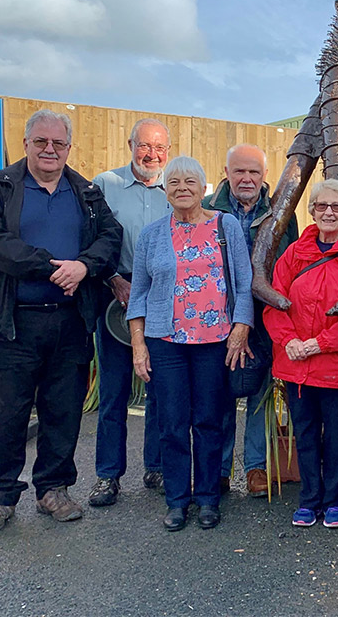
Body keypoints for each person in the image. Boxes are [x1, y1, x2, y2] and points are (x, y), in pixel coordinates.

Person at [0, 109, 122, 533]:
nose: (50, 150)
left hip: (69, 322)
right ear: (26, 144)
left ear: (69, 148)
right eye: (41, 142)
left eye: (58, 143)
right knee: (5, 415)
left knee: (64, 411)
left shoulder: (87, 193)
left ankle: (53, 489)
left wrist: (84, 267)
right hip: (11, 323)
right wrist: (50, 266)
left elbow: (111, 238)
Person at [128, 156, 254, 532]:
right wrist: (138, 345)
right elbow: (138, 295)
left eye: (190, 182)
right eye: (174, 182)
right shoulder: (151, 235)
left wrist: (241, 326)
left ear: (204, 189)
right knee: (171, 422)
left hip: (215, 342)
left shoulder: (225, 225)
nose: (182, 188)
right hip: (166, 342)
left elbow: (244, 283)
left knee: (209, 421)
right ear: (165, 191)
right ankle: (177, 500)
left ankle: (208, 499)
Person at [263, 179, 338, 529]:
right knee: (306, 432)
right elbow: (274, 302)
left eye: (337, 207)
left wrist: (319, 343)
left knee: (337, 434)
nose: (329, 212)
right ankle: (309, 499)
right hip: (296, 362)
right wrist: (289, 341)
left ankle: (335, 499)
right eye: (322, 206)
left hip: (336, 365)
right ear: (311, 210)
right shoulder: (293, 254)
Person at [203, 144, 298, 497]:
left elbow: (291, 261)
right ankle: (222, 468)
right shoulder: (209, 209)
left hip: (263, 315)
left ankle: (256, 467)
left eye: (254, 172)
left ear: (265, 176)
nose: (246, 178)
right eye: (239, 171)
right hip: (215, 316)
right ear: (226, 172)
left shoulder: (281, 212)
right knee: (221, 393)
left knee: (259, 392)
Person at [87, 118, 172, 508]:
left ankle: (155, 466)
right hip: (115, 304)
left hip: (162, 307)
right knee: (115, 393)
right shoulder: (105, 185)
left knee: (159, 392)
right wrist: (111, 279)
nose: (152, 155)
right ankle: (107, 476)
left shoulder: (176, 188)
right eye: (144, 146)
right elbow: (88, 242)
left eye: (159, 148)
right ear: (130, 144)